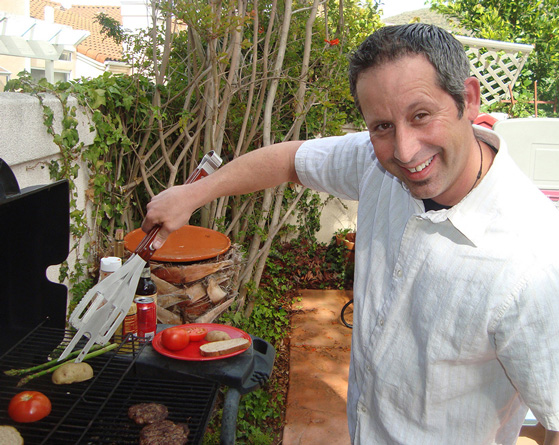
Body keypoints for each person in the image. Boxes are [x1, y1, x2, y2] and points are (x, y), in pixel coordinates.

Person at [142, 23, 559, 444]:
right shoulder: (375, 163)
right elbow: (291, 160)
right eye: (382, 126)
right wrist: (193, 194)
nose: (405, 151)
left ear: (468, 99)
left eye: (421, 115)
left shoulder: (536, 260)